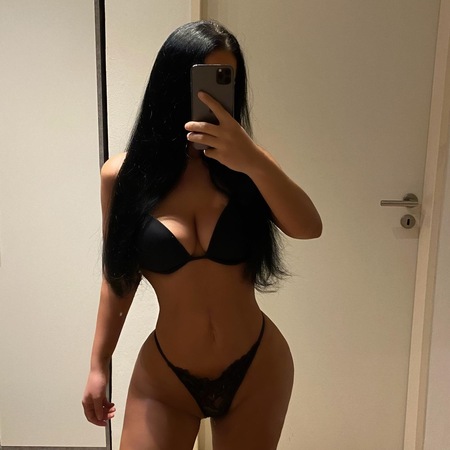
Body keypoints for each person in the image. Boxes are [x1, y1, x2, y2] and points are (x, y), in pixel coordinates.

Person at [82, 20, 322, 450]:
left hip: (256, 370)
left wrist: (253, 160)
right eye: (202, 80)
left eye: (226, 81)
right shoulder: (123, 177)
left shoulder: (249, 167)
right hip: (167, 378)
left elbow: (309, 227)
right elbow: (118, 276)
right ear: (173, 84)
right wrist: (99, 364)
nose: (212, 96)